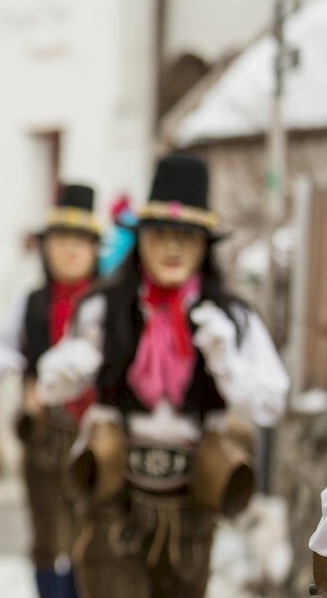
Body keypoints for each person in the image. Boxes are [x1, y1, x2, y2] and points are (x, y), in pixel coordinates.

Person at [37, 154, 288, 598]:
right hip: (116, 505)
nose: (173, 248)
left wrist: (226, 360)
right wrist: (74, 361)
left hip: (191, 508)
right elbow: (51, 385)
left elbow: (270, 403)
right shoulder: (103, 307)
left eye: (186, 238)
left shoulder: (231, 318)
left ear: (204, 246)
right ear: (141, 241)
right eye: (161, 236)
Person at [0, 183, 101, 598]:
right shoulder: (31, 303)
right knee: (49, 539)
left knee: (98, 534)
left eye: (80, 242)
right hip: (46, 436)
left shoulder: (109, 304)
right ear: (46, 248)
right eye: (61, 240)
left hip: (100, 438)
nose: (70, 251)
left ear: (94, 250)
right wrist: (22, 370)